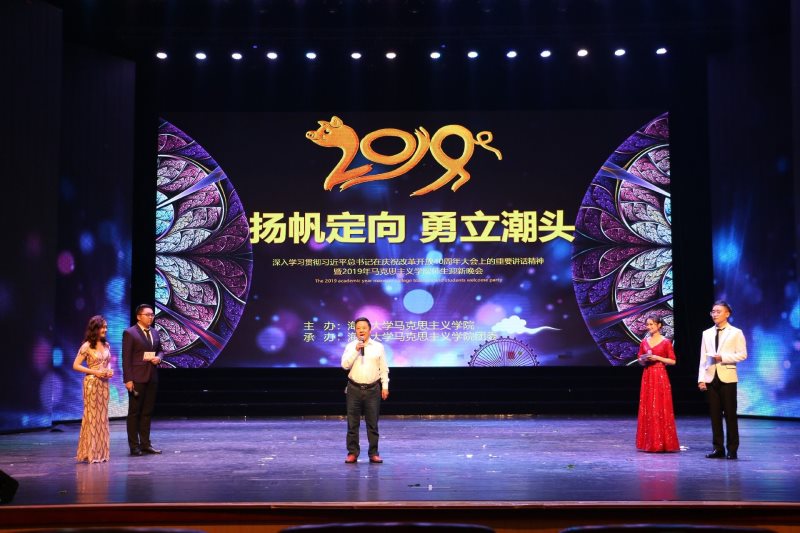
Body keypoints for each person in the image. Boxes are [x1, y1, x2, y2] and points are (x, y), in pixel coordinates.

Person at [698, 300, 747, 460]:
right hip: (711, 377)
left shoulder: (736, 332)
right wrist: (701, 379)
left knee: (730, 415)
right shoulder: (706, 333)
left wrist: (723, 357)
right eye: (713, 311)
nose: (715, 314)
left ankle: (732, 449)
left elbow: (742, 354)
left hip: (728, 377)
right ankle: (718, 448)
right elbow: (703, 358)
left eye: (718, 311)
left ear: (727, 314)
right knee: (715, 415)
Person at [341, 317, 389, 464]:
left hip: (373, 389)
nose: (361, 330)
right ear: (355, 331)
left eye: (364, 328)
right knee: (352, 424)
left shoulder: (378, 347)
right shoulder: (351, 346)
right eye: (358, 328)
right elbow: (344, 365)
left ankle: (373, 453)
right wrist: (356, 350)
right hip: (354, 388)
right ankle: (352, 453)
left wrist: (385, 386)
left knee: (372, 423)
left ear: (370, 330)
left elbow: (384, 368)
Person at [122, 304, 163, 456]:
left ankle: (146, 444)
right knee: (134, 413)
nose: (151, 317)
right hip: (137, 378)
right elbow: (126, 358)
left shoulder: (155, 332)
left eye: (152, 314)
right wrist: (128, 379)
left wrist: (159, 358)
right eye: (148, 315)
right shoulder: (130, 333)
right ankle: (134, 446)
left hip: (152, 376)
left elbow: (160, 350)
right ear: (139, 316)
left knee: (147, 412)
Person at [635, 315, 680, 452]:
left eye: (652, 324)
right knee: (649, 405)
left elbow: (673, 361)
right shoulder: (644, 342)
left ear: (659, 325)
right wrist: (643, 359)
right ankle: (649, 442)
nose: (649, 327)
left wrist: (657, 358)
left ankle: (663, 442)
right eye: (648, 325)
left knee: (661, 405)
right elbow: (639, 359)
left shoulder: (666, 342)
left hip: (660, 375)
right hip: (648, 374)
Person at [73, 315, 113, 463]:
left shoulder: (106, 345)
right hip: (91, 384)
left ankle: (101, 453)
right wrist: (95, 372)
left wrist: (109, 370)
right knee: (92, 417)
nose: (105, 330)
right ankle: (90, 452)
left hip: (104, 384)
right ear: (95, 328)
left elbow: (107, 363)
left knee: (102, 418)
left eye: (106, 327)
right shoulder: (87, 346)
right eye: (102, 327)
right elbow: (75, 365)